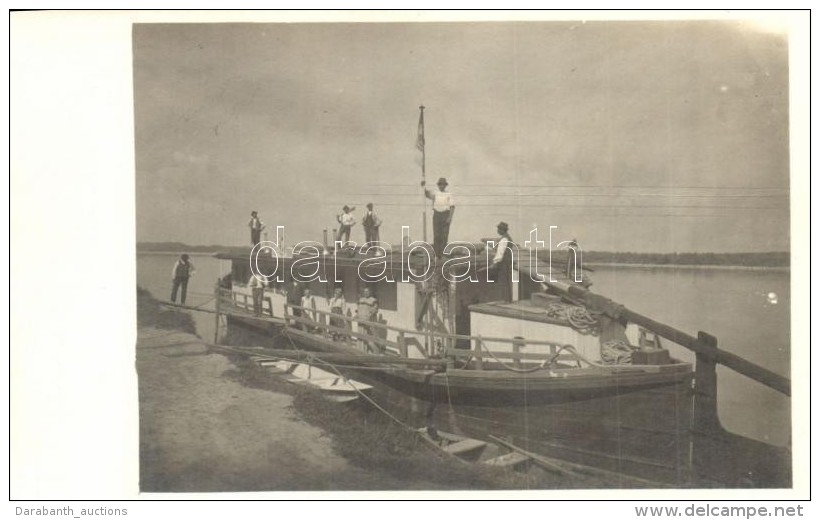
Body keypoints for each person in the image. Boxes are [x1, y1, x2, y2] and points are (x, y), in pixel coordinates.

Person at [422, 177, 455, 257]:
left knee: (444, 235)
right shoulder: (435, 193)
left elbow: (452, 207)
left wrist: (449, 218)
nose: (441, 186)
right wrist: (423, 186)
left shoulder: (448, 194)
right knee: (437, 235)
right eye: (440, 184)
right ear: (438, 185)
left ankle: (442, 254)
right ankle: (437, 255)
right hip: (437, 215)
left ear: (445, 185)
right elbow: (426, 194)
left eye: (443, 184)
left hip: (445, 215)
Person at [489, 222, 514, 302]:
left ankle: (505, 299)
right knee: (507, 280)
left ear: (502, 230)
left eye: (498, 229)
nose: (497, 231)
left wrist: (494, 263)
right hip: (508, 262)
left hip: (503, 262)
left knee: (503, 280)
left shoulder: (504, 239)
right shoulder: (508, 238)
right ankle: (507, 299)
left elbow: (500, 253)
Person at [356, 287, 379, 353]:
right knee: (360, 334)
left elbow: (375, 310)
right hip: (360, 320)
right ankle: (360, 350)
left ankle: (370, 351)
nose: (366, 293)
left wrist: (370, 316)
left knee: (368, 336)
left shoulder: (373, 300)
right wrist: (357, 315)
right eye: (365, 291)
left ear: (370, 292)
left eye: (367, 291)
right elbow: (358, 309)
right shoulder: (361, 299)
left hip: (368, 321)